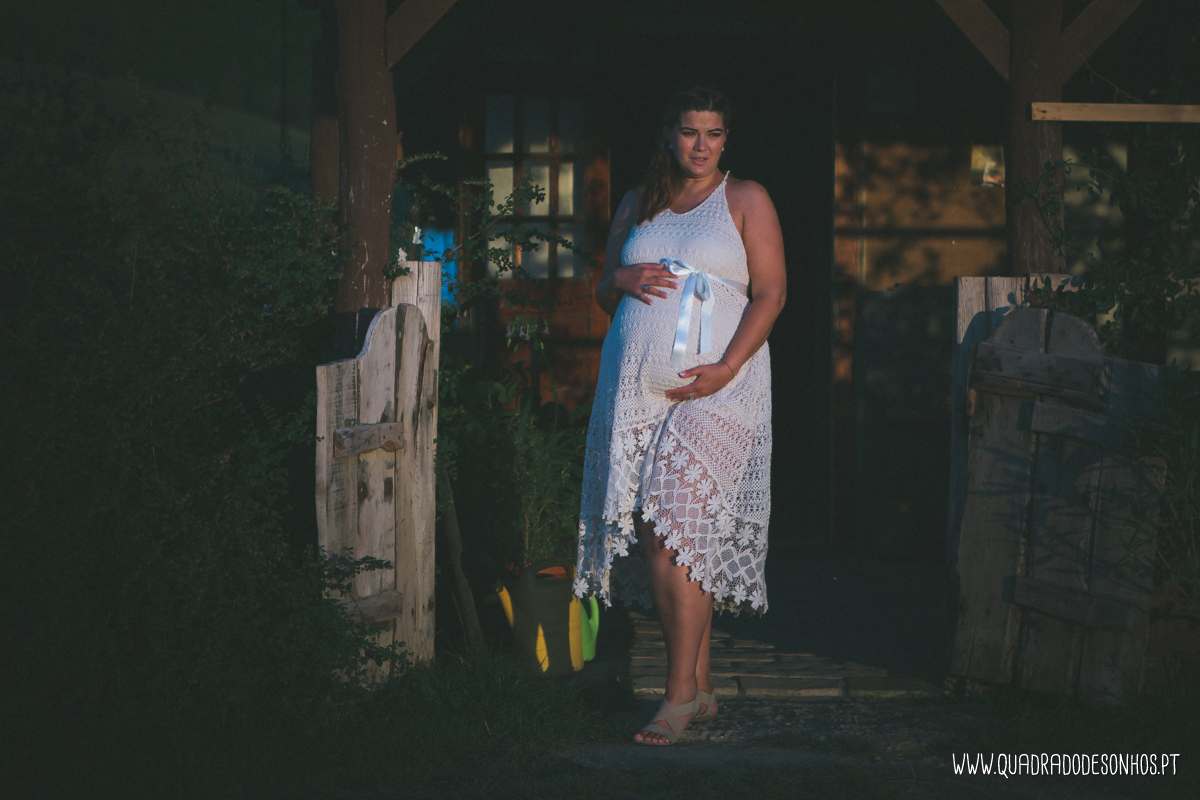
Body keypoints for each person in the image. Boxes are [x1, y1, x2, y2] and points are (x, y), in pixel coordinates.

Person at [573, 84, 785, 745]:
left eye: (714, 133)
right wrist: (620, 280)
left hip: (719, 384)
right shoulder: (639, 202)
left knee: (675, 533)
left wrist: (727, 366)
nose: (702, 145)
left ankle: (678, 696)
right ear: (670, 134)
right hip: (636, 388)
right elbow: (605, 291)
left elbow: (771, 293)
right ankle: (704, 685)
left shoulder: (745, 198)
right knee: (663, 535)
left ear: (726, 139)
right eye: (691, 131)